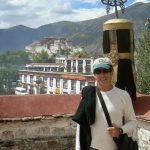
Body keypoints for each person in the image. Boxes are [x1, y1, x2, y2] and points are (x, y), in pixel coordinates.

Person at [72, 57, 137, 150]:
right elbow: (81, 124)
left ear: (111, 72)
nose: (102, 75)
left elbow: (133, 122)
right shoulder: (88, 94)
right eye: (98, 71)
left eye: (105, 70)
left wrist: (120, 130)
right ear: (94, 75)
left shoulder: (123, 95)